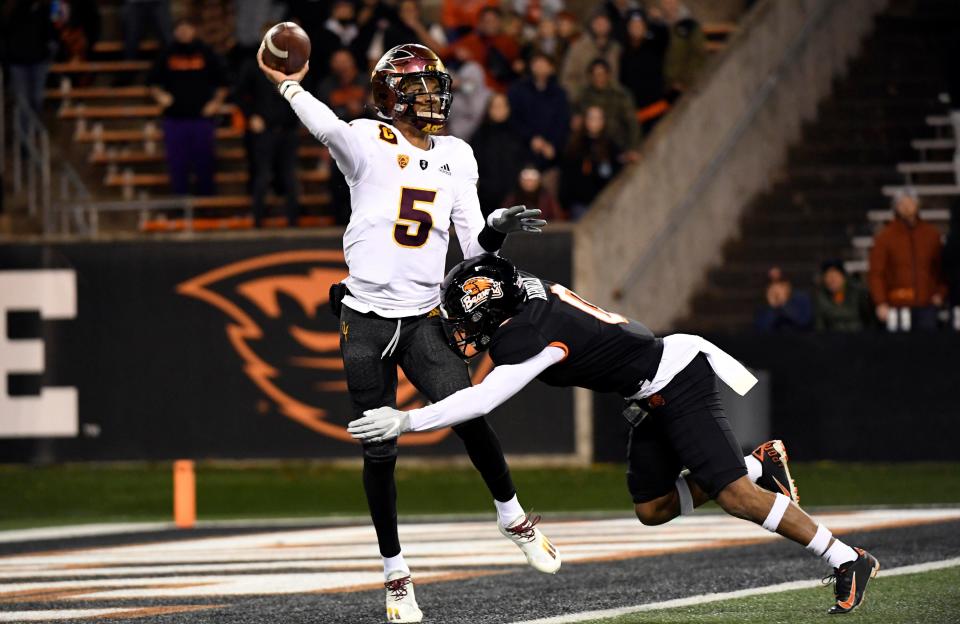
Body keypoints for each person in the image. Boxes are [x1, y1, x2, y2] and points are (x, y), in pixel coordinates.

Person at [348, 253, 882, 617]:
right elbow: (497, 274)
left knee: (736, 500)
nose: (464, 334)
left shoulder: (537, 337)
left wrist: (407, 420)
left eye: (469, 322)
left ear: (496, 315)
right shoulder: (526, 294)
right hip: (647, 394)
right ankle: (756, 464)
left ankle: (844, 558)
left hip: (677, 378)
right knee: (652, 508)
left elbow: (483, 399)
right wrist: (490, 237)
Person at [257, 42, 554, 623]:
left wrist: (495, 228)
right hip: (365, 321)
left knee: (469, 415)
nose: (432, 96)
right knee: (379, 451)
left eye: (435, 86)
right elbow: (327, 128)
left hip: (423, 317)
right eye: (418, 87)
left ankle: (512, 514)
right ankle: (396, 576)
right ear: (391, 96)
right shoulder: (366, 140)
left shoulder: (459, 155)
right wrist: (289, 85)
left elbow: (473, 250)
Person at [148, 18, 228, 196]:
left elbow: (223, 82)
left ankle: (207, 207)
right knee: (177, 165)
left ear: (194, 30)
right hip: (175, 120)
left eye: (188, 28)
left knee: (205, 164)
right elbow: (152, 81)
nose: (184, 32)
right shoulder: (167, 53)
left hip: (202, 120)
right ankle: (180, 206)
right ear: (175, 31)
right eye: (180, 28)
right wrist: (160, 96)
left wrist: (216, 103)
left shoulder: (206, 52)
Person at [236, 43, 301, 227]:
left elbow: (304, 92)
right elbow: (238, 93)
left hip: (288, 129)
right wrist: (250, 116)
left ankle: (293, 223)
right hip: (264, 130)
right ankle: (257, 222)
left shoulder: (294, 65)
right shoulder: (253, 66)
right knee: (262, 176)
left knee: (289, 177)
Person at [868, 189, 946, 332]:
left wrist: (941, 293)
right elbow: (876, 272)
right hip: (896, 304)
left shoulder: (931, 235)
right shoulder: (885, 237)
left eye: (910, 202)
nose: (906, 207)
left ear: (917, 205)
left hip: (926, 304)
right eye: (902, 203)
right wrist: (880, 302)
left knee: (929, 348)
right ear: (896, 207)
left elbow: (941, 268)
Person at [507, 52, 570, 172]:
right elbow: (514, 118)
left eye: (544, 63)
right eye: (536, 62)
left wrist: (552, 144)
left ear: (552, 68)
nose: (540, 66)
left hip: (551, 153)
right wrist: (531, 138)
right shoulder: (517, 89)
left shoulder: (560, 93)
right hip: (522, 150)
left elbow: (563, 122)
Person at [560, 105, 623, 220]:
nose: (595, 122)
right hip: (580, 203)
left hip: (604, 202)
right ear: (585, 120)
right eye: (591, 118)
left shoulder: (610, 145)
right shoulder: (575, 145)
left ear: (603, 121)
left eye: (598, 118)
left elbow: (616, 168)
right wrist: (566, 201)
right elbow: (567, 175)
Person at [471, 93, 529, 216]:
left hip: (513, 197)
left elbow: (524, 162)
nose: (499, 110)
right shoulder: (480, 135)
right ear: (489, 109)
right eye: (495, 106)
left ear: (508, 109)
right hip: (486, 198)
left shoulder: (517, 133)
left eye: (502, 106)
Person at [575, 58, 642, 154]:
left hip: (617, 145)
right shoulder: (584, 96)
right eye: (595, 75)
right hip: (591, 146)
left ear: (608, 74)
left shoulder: (620, 95)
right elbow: (576, 116)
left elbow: (632, 123)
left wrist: (633, 148)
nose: (598, 78)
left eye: (601, 74)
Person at [619, 9, 670, 134]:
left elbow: (664, 35)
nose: (636, 28)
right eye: (633, 26)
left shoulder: (654, 46)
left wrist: (657, 21)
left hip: (656, 110)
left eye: (640, 25)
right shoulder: (624, 53)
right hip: (635, 115)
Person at [560, 12, 621, 98]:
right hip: (584, 101)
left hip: (612, 101)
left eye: (604, 22)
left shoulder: (616, 49)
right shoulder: (578, 47)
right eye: (598, 22)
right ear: (592, 24)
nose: (601, 25)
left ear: (610, 25)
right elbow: (568, 78)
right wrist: (576, 99)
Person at [814, 260, 871, 332]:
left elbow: (867, 318)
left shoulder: (858, 292)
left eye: (835, 276)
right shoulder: (821, 296)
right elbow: (820, 324)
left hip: (858, 336)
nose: (832, 280)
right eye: (828, 276)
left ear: (843, 276)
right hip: (831, 338)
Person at [754, 266, 813, 332]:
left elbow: (804, 323)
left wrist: (784, 304)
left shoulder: (801, 298)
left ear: (788, 285)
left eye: (780, 284)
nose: (777, 289)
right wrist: (772, 306)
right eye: (773, 285)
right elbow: (761, 329)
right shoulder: (764, 303)